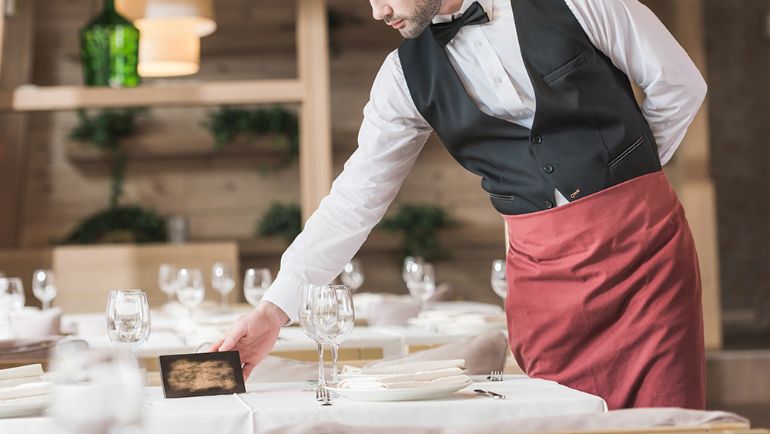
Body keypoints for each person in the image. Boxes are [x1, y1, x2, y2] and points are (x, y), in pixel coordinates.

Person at [211, 0, 707, 410]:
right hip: (544, 279)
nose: (377, 10)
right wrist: (275, 312)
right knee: (559, 416)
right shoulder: (402, 78)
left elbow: (679, 84)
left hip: (648, 259)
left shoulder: (580, 3)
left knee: (666, 416)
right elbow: (355, 199)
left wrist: (624, 179)